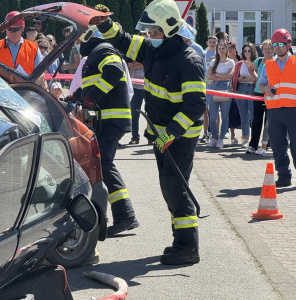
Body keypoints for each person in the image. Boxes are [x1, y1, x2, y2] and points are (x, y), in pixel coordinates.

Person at [96, 0, 206, 265]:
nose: (149, 37)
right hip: (161, 135)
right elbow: (123, 40)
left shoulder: (189, 61)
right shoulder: (151, 50)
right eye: (148, 32)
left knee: (176, 188)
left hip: (180, 137)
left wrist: (171, 133)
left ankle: (188, 246)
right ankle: (180, 242)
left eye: (154, 32)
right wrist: (104, 23)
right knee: (169, 187)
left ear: (169, 30)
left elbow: (195, 105)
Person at [75, 25, 139, 236]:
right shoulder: (96, 53)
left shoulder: (102, 49)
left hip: (112, 118)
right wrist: (74, 97)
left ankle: (126, 215)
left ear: (88, 36)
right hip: (107, 118)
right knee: (102, 163)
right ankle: (123, 215)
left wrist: (92, 97)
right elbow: (90, 85)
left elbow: (113, 71)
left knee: (104, 163)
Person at [259, 28, 296, 189]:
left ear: (288, 44)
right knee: (278, 146)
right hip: (274, 111)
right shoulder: (268, 64)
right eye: (274, 44)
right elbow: (261, 84)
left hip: (294, 111)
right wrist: (266, 89)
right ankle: (284, 177)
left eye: (280, 44)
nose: (276, 48)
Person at [206, 41, 235, 149]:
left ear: (226, 50)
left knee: (224, 116)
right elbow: (209, 75)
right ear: (217, 50)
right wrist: (221, 76)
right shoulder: (214, 61)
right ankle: (214, 137)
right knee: (212, 116)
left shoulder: (231, 62)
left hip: (225, 88)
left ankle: (221, 139)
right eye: (219, 49)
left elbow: (230, 75)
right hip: (214, 88)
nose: (221, 51)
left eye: (223, 48)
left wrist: (217, 75)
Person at [247, 39, 273, 155]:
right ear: (262, 50)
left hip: (271, 94)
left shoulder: (275, 61)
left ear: (272, 49)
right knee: (256, 120)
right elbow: (250, 69)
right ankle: (253, 145)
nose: (267, 51)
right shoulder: (258, 61)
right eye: (265, 49)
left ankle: (268, 145)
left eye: (269, 48)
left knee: (270, 121)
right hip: (258, 93)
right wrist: (256, 78)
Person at [231, 42, 257, 149]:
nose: (247, 53)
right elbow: (233, 78)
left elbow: (260, 77)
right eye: (245, 51)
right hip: (241, 88)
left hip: (252, 88)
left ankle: (254, 138)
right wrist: (239, 79)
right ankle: (246, 138)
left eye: (249, 51)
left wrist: (254, 78)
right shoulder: (239, 64)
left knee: (253, 115)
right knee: (244, 116)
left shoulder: (257, 62)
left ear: (252, 51)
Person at [128, 30, 149, 145]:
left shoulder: (150, 50)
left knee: (151, 112)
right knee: (135, 112)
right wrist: (144, 63)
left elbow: (149, 63)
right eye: (141, 36)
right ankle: (135, 137)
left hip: (149, 86)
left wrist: (138, 63)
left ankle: (151, 137)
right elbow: (130, 65)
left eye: (145, 36)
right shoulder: (133, 51)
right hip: (135, 86)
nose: (143, 38)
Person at [201, 36, 217, 143]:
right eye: (210, 42)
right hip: (205, 85)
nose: (212, 44)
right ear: (207, 43)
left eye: (214, 42)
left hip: (215, 85)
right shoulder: (204, 54)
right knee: (205, 110)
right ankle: (205, 133)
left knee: (215, 110)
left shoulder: (219, 54)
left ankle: (216, 132)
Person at [227, 41, 242, 145]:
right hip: (228, 90)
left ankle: (244, 135)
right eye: (228, 48)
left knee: (242, 113)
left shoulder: (241, 61)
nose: (230, 50)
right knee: (231, 113)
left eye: (232, 47)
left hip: (239, 89)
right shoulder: (224, 61)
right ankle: (232, 136)